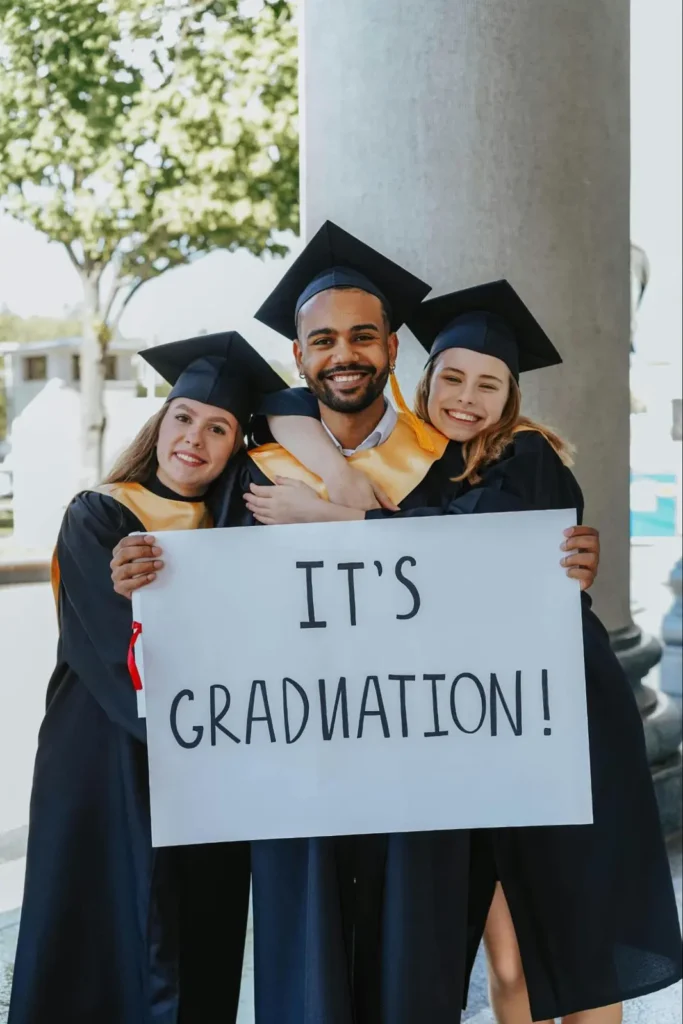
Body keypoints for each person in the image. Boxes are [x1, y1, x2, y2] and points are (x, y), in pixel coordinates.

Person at [111, 225, 601, 1024]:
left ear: (392, 347)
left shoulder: (447, 459)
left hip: (421, 768)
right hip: (298, 768)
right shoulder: (252, 466)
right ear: (300, 359)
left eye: (363, 336)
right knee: (307, 974)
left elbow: (501, 579)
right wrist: (138, 574)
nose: (345, 353)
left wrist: (565, 564)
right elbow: (199, 594)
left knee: (414, 964)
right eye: (323, 340)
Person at [240, 280, 683, 1024]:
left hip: (553, 720)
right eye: (451, 377)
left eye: (488, 384)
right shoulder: (429, 464)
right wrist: (347, 478)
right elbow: (284, 406)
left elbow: (459, 559)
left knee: (574, 945)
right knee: (509, 959)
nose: (466, 398)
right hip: (475, 732)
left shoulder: (526, 455)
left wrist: (324, 513)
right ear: (423, 376)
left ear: (510, 396)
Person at [9, 332, 287, 1024]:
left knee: (199, 937)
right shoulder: (101, 514)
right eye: (183, 417)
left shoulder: (242, 526)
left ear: (235, 446)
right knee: (100, 934)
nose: (195, 437)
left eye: (218, 427)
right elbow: (113, 653)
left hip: (208, 767)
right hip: (105, 759)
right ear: (159, 424)